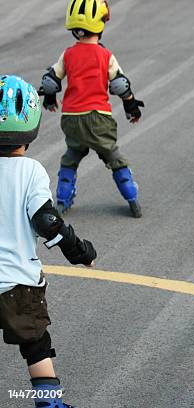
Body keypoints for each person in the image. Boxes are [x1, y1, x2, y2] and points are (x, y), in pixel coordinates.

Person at [0, 75, 97, 408]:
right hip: (19, 285)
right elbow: (47, 222)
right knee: (36, 345)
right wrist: (80, 252)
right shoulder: (31, 171)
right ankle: (48, 403)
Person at [39, 0, 145, 217]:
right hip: (99, 117)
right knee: (113, 156)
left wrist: (50, 98)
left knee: (71, 156)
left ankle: (62, 198)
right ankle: (131, 196)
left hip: (71, 118)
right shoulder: (105, 55)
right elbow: (120, 85)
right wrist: (131, 107)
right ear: (101, 23)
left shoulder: (68, 54)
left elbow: (51, 81)